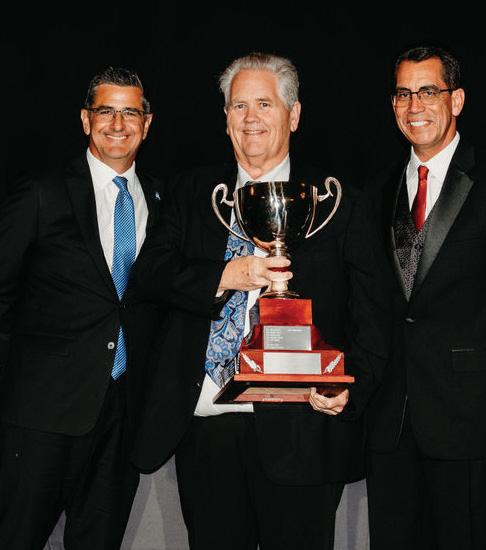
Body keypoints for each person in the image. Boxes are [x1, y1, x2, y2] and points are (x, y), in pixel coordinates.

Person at [131, 52, 379, 550]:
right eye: (238, 105)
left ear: (295, 114)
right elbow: (150, 276)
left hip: (303, 431)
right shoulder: (190, 192)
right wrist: (226, 275)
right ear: (225, 118)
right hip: (207, 425)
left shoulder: (336, 202)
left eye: (264, 104)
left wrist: (351, 386)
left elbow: (372, 313)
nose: (250, 118)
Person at [323, 45, 486, 549]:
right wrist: (351, 385)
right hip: (391, 425)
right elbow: (370, 311)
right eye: (403, 94)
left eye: (428, 91)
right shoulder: (377, 191)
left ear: (457, 100)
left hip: (473, 421)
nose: (415, 106)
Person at [0, 66, 164, 549]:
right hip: (40, 415)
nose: (118, 124)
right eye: (105, 111)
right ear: (85, 119)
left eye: (130, 112)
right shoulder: (42, 192)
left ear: (147, 123)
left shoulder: (162, 200)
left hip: (123, 414)